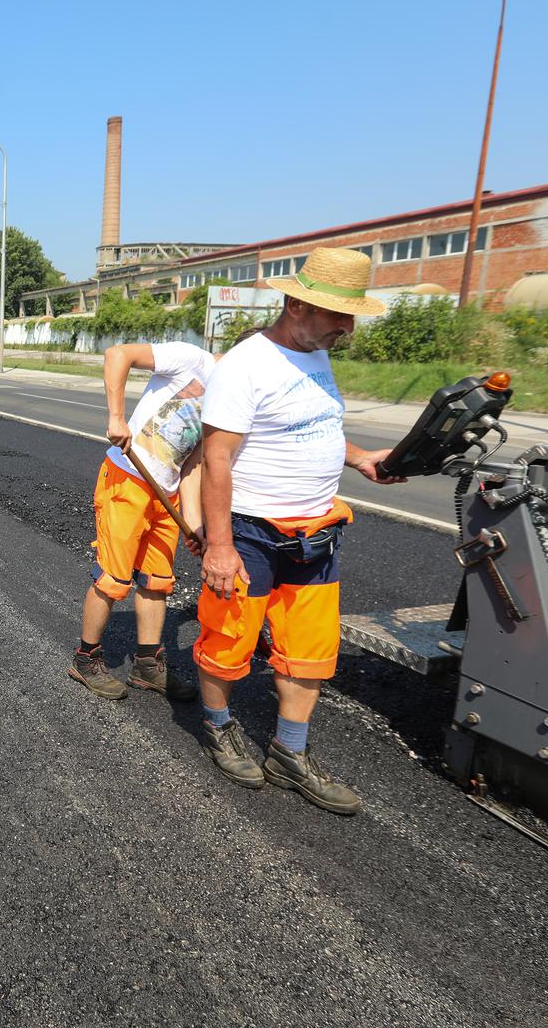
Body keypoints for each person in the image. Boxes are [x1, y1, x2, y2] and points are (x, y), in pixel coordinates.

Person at [194, 247, 403, 816]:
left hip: (316, 532)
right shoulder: (245, 366)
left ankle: (289, 753)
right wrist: (219, 546)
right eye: (338, 315)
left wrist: (359, 458)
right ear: (296, 306)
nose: (347, 327)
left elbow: (314, 426)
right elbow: (217, 459)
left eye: (351, 315)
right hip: (251, 533)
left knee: (310, 651)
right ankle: (218, 726)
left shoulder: (316, 354)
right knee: (228, 641)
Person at [69, 341, 213, 702]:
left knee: (157, 580)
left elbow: (192, 463)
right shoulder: (193, 360)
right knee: (113, 577)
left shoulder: (231, 399)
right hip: (128, 478)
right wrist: (116, 416)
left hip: (167, 493)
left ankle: (147, 665)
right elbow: (118, 354)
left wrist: (193, 523)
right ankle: (86, 659)